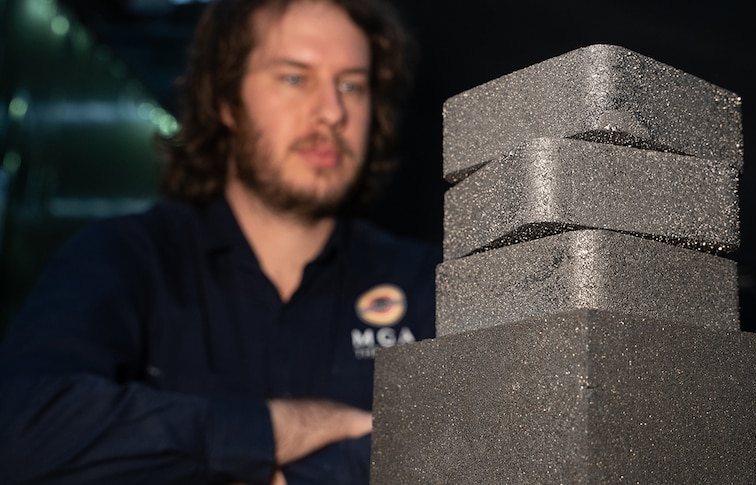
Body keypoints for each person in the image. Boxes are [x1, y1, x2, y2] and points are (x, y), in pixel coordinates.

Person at [0, 0, 438, 483]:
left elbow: (500, 444)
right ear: (226, 101)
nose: (332, 111)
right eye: (295, 78)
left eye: (352, 85)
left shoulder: (430, 283)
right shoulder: (124, 257)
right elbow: (25, 430)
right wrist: (286, 429)